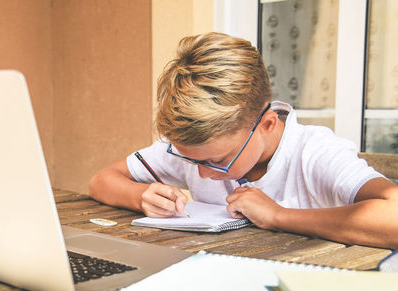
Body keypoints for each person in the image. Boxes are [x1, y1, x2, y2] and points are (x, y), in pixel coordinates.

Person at [89, 32, 398, 249]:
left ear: (266, 124)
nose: (203, 173)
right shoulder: (196, 149)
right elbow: (102, 180)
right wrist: (141, 196)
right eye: (191, 160)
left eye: (219, 162)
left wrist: (280, 216)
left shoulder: (314, 152)